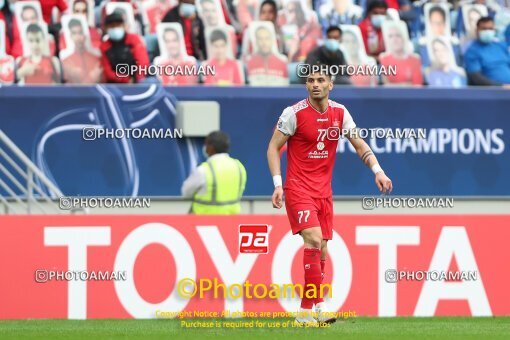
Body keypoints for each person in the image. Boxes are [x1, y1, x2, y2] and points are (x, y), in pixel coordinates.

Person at [267, 63, 392, 325]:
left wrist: (377, 171)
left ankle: (311, 309)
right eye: (310, 80)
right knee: (312, 239)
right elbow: (273, 148)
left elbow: (359, 144)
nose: (315, 84)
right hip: (298, 188)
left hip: (324, 192)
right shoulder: (293, 113)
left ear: (330, 85)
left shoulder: (340, 112)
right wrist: (278, 184)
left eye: (320, 80)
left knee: (321, 249)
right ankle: (312, 310)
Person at [182, 131, 247, 214]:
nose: (205, 148)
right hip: (232, 221)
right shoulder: (239, 167)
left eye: (206, 144)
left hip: (204, 222)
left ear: (211, 147)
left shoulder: (203, 170)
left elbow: (185, 192)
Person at [100, 12, 150, 83]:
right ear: (106, 28)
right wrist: (126, 79)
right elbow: (107, 72)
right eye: (112, 26)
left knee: (149, 82)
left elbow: (143, 62)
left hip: (137, 79)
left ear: (123, 26)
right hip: (116, 82)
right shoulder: (104, 46)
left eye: (118, 25)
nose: (115, 28)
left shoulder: (133, 39)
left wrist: (136, 79)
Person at [464, 17, 510, 86]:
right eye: (484, 29)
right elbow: (476, 78)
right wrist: (501, 86)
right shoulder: (472, 51)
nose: (487, 31)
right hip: (492, 92)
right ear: (477, 30)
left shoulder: (500, 46)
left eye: (490, 29)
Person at [60, 18, 102, 83]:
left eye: (80, 32)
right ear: (71, 36)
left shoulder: (96, 59)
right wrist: (91, 77)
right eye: (74, 33)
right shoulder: (66, 62)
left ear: (85, 35)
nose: (78, 37)